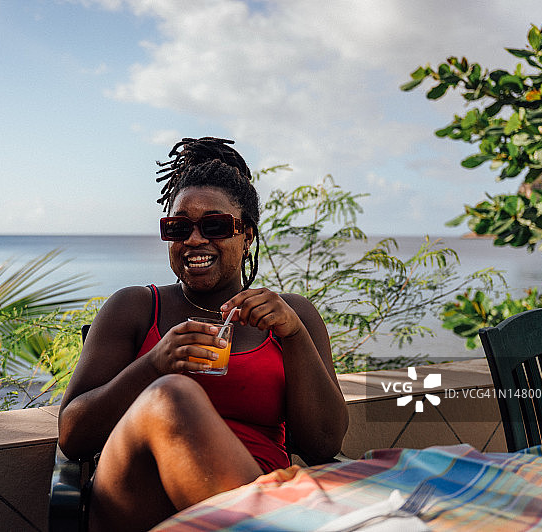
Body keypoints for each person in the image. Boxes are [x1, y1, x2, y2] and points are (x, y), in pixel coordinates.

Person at [57, 137, 348, 532]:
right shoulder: (135, 308)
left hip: (257, 492)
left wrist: (295, 336)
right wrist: (154, 365)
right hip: (142, 501)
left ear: (246, 235)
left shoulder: (292, 317)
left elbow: (324, 444)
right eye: (178, 227)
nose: (194, 239)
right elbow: (72, 437)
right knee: (170, 395)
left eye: (214, 225)